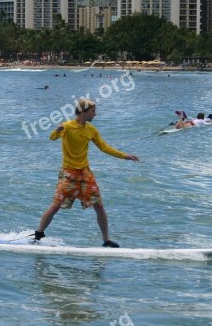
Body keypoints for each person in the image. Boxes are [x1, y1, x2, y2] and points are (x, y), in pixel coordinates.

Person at [34, 98, 139, 247]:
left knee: (99, 206)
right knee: (56, 205)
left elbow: (104, 147)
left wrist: (124, 156)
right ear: (83, 112)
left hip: (85, 173)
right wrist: (56, 131)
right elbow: (52, 138)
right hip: (68, 173)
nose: (95, 114)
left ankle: (106, 240)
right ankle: (38, 235)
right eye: (92, 111)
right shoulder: (67, 126)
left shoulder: (91, 130)